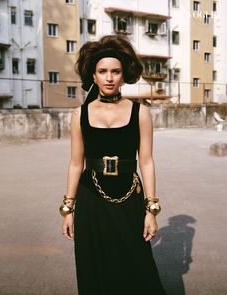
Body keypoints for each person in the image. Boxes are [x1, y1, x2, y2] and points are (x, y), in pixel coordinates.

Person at [59, 34, 166, 295]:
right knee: (95, 264)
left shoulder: (140, 112)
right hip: (91, 198)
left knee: (137, 264)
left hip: (129, 196)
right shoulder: (79, 115)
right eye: (103, 71)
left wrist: (151, 210)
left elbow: (147, 161)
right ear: (93, 76)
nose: (109, 77)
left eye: (115, 71)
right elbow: (75, 164)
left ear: (124, 74)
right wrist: (67, 209)